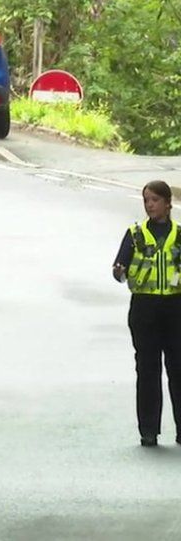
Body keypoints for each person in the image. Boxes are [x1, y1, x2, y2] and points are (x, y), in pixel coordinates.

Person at [113, 180, 181, 447]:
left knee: (178, 369)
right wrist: (119, 272)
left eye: (154, 200)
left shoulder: (180, 234)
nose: (150, 205)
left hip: (176, 308)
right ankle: (149, 430)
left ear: (167, 203)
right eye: (146, 200)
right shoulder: (135, 234)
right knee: (147, 369)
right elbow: (118, 267)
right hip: (144, 309)